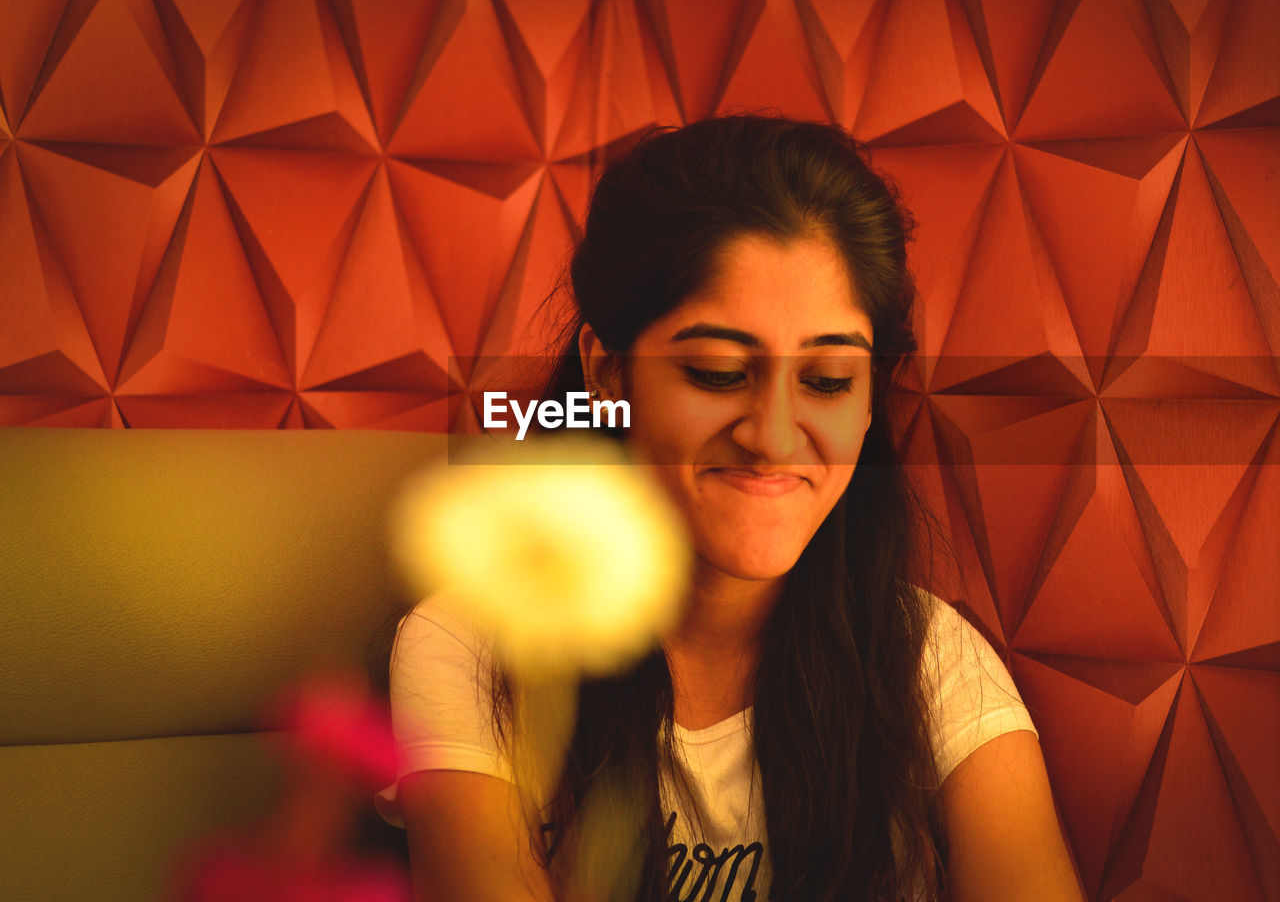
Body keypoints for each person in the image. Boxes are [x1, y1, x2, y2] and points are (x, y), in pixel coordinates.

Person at [376, 115, 1084, 901]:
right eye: (716, 372)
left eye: (826, 381)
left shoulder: (930, 661)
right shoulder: (474, 644)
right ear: (608, 375)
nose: (774, 435)